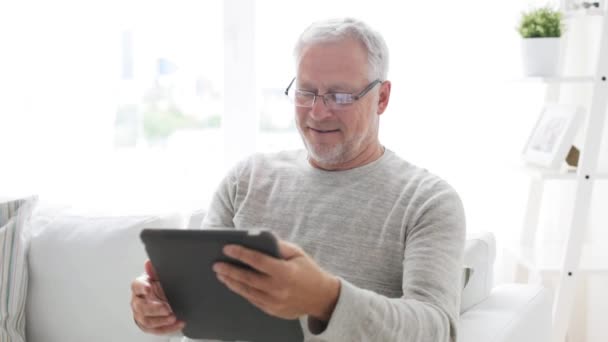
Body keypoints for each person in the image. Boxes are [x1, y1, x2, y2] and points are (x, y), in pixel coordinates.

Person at [131, 17, 465, 342]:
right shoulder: (245, 181)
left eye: (340, 96)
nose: (318, 112)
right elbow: (207, 305)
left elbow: (435, 330)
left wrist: (327, 300)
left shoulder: (427, 201)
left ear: (382, 98)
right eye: (306, 92)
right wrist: (165, 308)